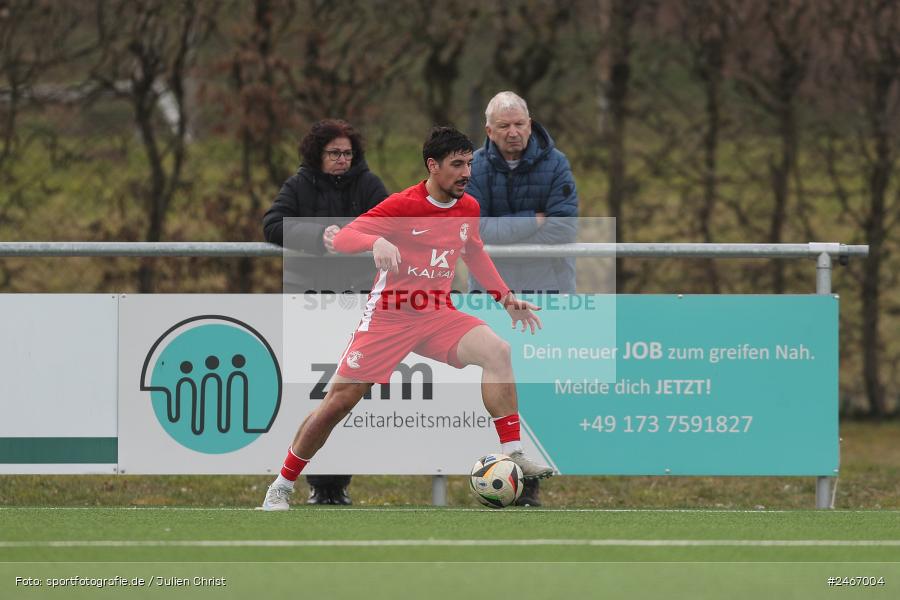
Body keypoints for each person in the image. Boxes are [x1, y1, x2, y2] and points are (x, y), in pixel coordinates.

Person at [260, 126, 554, 511]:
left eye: (469, 163)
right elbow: (345, 238)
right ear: (432, 165)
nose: (466, 173)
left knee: (497, 350)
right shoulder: (402, 205)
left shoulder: (468, 207)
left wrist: (505, 298)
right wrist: (376, 241)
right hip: (390, 317)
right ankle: (282, 484)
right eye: (457, 164)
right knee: (337, 403)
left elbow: (474, 252)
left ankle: (513, 452)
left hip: (437, 314)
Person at [263, 118, 389, 505]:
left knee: (346, 397)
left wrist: (353, 237)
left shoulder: (369, 185)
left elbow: (393, 224)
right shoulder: (299, 185)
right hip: (311, 302)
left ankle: (338, 484)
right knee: (317, 396)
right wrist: (319, 236)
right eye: (334, 153)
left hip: (359, 302)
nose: (341, 160)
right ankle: (318, 483)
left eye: (347, 153)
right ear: (317, 154)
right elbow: (272, 225)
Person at [466, 91, 578, 506]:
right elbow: (471, 232)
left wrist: (502, 236)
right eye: (504, 126)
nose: (513, 132)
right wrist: (533, 221)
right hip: (490, 294)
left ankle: (531, 485)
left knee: (539, 389)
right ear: (489, 129)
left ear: (530, 124)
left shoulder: (556, 163)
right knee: (497, 382)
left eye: (519, 124)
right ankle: (506, 476)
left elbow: (563, 230)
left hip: (548, 292)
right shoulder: (473, 167)